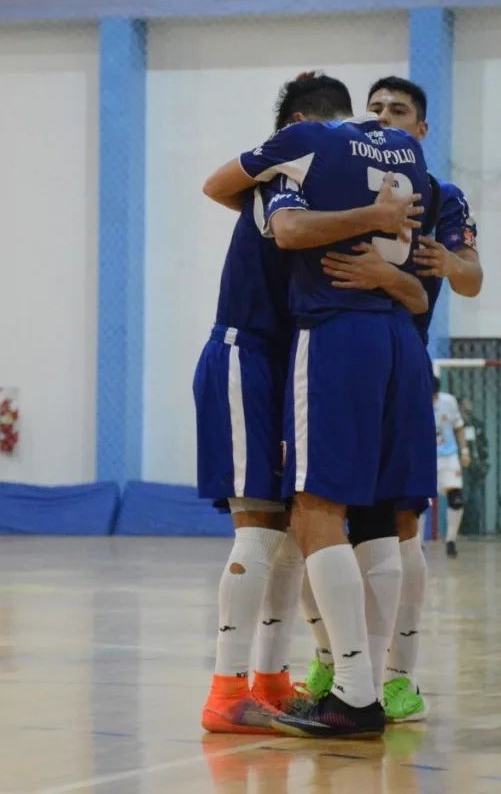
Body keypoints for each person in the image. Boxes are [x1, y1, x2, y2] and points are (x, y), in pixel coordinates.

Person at [204, 72, 436, 737]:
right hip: (257, 354)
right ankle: (250, 684)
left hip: (313, 349)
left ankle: (295, 680)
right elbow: (427, 291)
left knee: (304, 522)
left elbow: (243, 200)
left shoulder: (300, 165)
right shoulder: (407, 174)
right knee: (282, 524)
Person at [298, 76, 482, 724]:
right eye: (373, 108)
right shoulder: (341, 178)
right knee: (317, 515)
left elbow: (471, 278)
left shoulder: (441, 195)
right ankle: (337, 662)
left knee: (399, 520)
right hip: (339, 357)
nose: (382, 117)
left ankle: (397, 678)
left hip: (401, 358)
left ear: (420, 129)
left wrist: (441, 265)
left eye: (397, 110)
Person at [433, 376, 471, 556]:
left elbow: (458, 426)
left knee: (456, 499)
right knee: (418, 501)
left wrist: (464, 451)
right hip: (426, 457)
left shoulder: (448, 401)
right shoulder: (415, 402)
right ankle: (417, 543)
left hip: (448, 456)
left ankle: (451, 540)